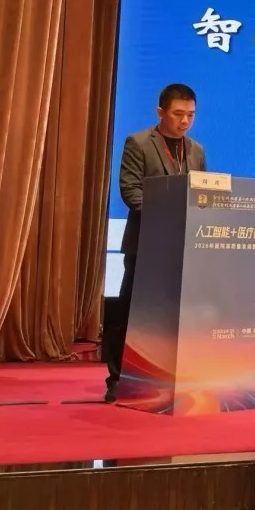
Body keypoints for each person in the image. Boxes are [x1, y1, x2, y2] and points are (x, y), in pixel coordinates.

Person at [103, 83, 207, 402]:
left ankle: (165, 377)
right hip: (145, 245)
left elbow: (202, 193)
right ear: (160, 112)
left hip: (182, 248)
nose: (185, 121)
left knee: (174, 317)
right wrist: (165, 217)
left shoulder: (196, 150)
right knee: (131, 313)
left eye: (190, 115)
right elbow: (130, 191)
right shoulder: (138, 143)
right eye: (178, 114)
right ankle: (118, 379)